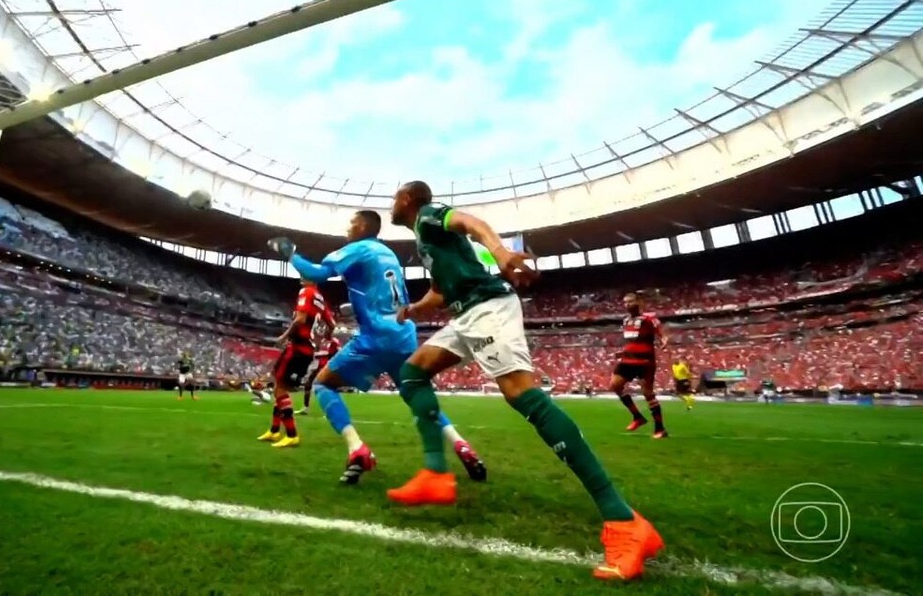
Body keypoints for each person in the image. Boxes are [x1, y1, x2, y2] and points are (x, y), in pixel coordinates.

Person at [387, 180, 662, 581]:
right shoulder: (425, 242)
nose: (391, 204)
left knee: (522, 395)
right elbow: (440, 293)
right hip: (465, 314)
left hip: (488, 309)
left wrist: (499, 251)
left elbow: (470, 221)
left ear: (408, 200)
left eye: (394, 198)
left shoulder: (430, 216)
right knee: (412, 372)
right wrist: (413, 308)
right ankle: (435, 474)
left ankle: (624, 522)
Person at [268, 211, 485, 484]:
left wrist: (290, 252)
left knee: (323, 385)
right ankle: (461, 445)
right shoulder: (388, 254)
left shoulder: (358, 248)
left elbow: (317, 274)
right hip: (404, 335)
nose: (348, 228)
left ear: (362, 226)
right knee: (417, 397)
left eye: (351, 223)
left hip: (376, 338)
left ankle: (357, 449)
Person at [256, 279, 334, 448]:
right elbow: (332, 325)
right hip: (307, 349)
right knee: (279, 385)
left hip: (298, 347)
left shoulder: (306, 292)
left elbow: (300, 319)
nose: (301, 275)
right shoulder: (321, 300)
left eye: (304, 272)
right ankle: (275, 430)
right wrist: (324, 339)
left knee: (281, 388)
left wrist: (283, 337)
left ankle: (292, 434)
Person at [611, 293, 670, 438]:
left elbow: (662, 333)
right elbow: (631, 342)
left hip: (645, 361)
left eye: (630, 301)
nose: (627, 304)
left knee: (648, 394)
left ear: (639, 302)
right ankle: (638, 417)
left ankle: (660, 429)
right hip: (627, 361)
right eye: (625, 302)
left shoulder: (649, 318)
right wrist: (623, 352)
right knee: (615, 386)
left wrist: (664, 340)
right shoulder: (625, 321)